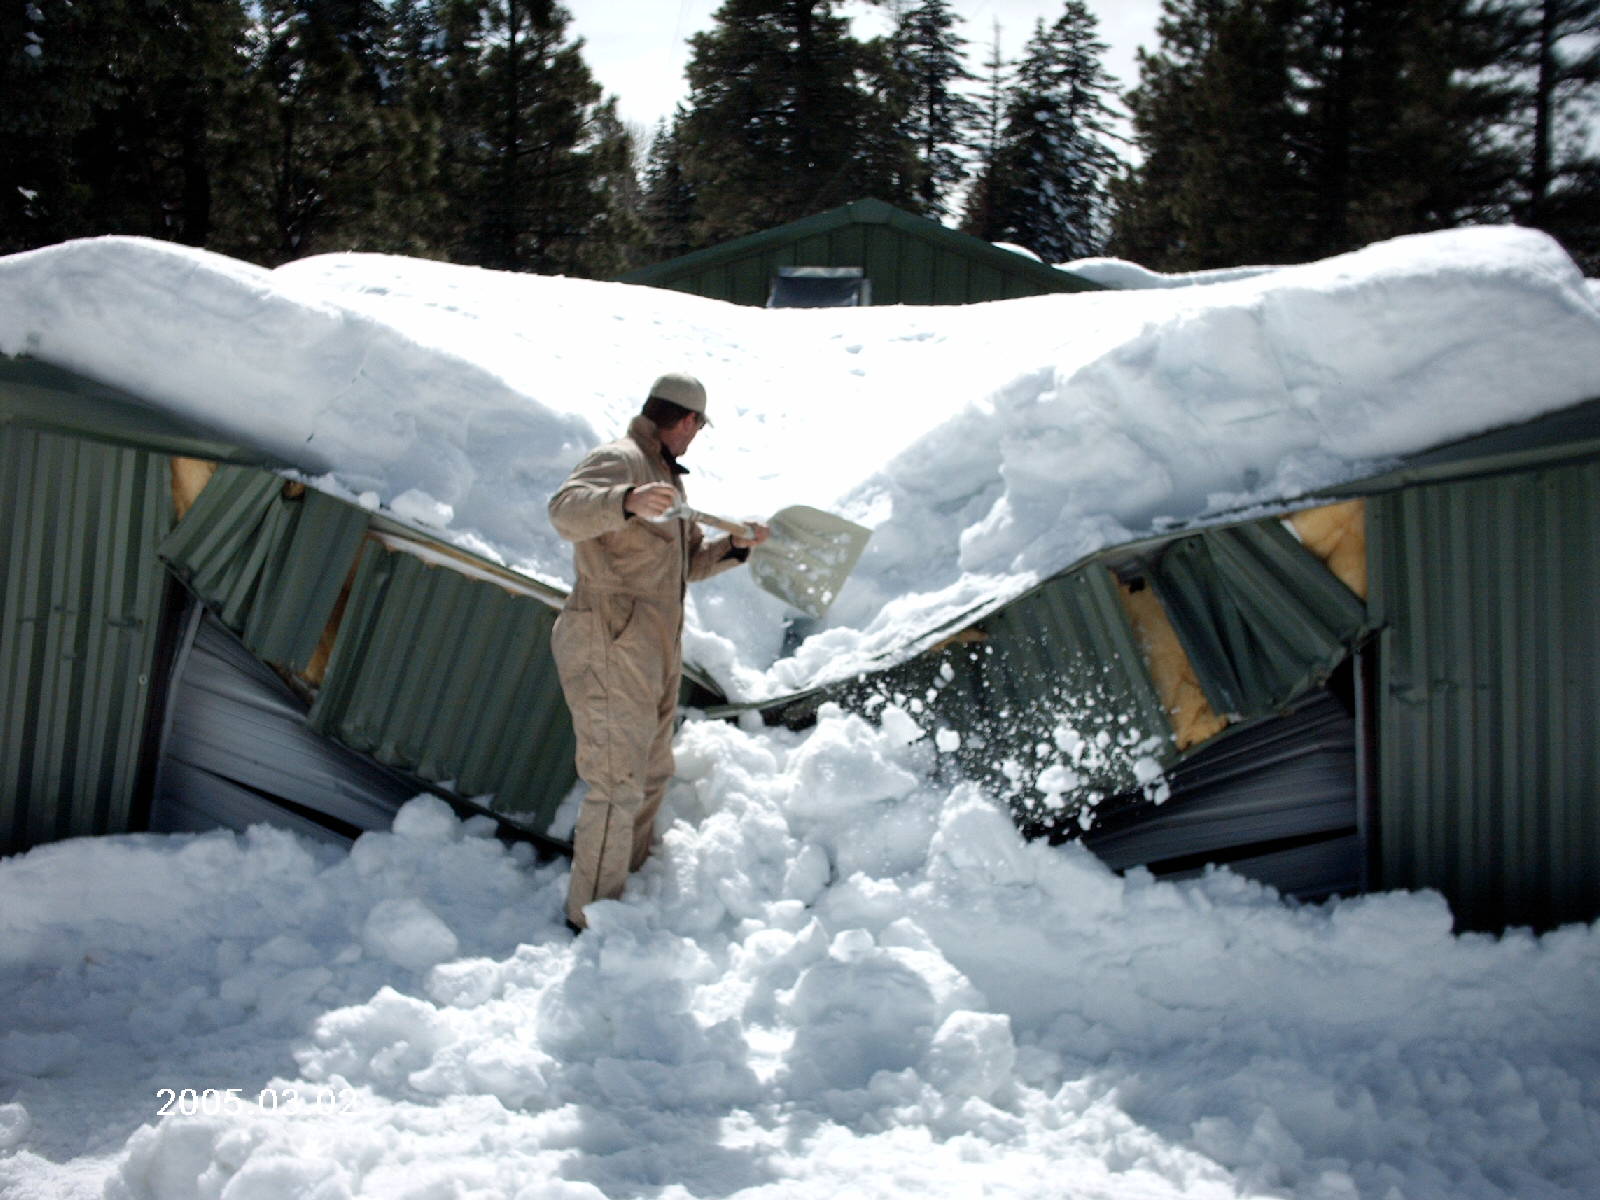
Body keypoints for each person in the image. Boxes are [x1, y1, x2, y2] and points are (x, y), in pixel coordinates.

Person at [548, 372, 769, 930]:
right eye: (699, 428)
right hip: (608, 634)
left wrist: (735, 547)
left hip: (652, 642)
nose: (697, 438)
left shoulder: (668, 479)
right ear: (687, 421)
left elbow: (688, 564)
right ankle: (591, 921)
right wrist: (624, 500)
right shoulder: (622, 460)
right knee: (616, 780)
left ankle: (628, 885)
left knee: (649, 770)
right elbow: (565, 511)